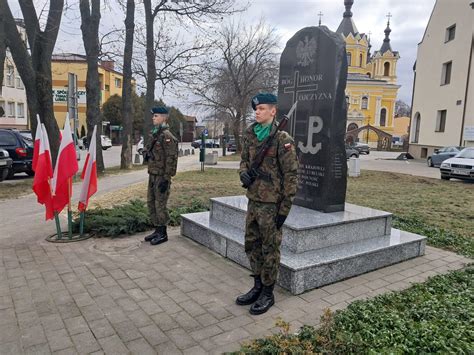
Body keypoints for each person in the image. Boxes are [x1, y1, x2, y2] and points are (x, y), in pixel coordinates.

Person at [237, 93, 298, 315]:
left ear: (273, 111)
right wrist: (243, 174)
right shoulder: (250, 134)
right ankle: (257, 285)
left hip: (272, 205)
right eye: (256, 108)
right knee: (251, 244)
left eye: (262, 108)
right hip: (253, 200)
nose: (257, 111)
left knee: (269, 248)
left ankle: (268, 292)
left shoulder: (283, 139)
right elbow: (244, 161)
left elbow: (291, 176)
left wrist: (284, 210)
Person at [143, 106, 178, 245]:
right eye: (153, 116)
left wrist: (166, 178)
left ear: (164, 117)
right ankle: (157, 229)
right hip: (153, 174)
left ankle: (163, 233)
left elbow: (172, 158)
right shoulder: (155, 134)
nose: (153, 118)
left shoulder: (167, 136)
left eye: (156, 115)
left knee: (160, 204)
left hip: (162, 176)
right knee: (151, 202)